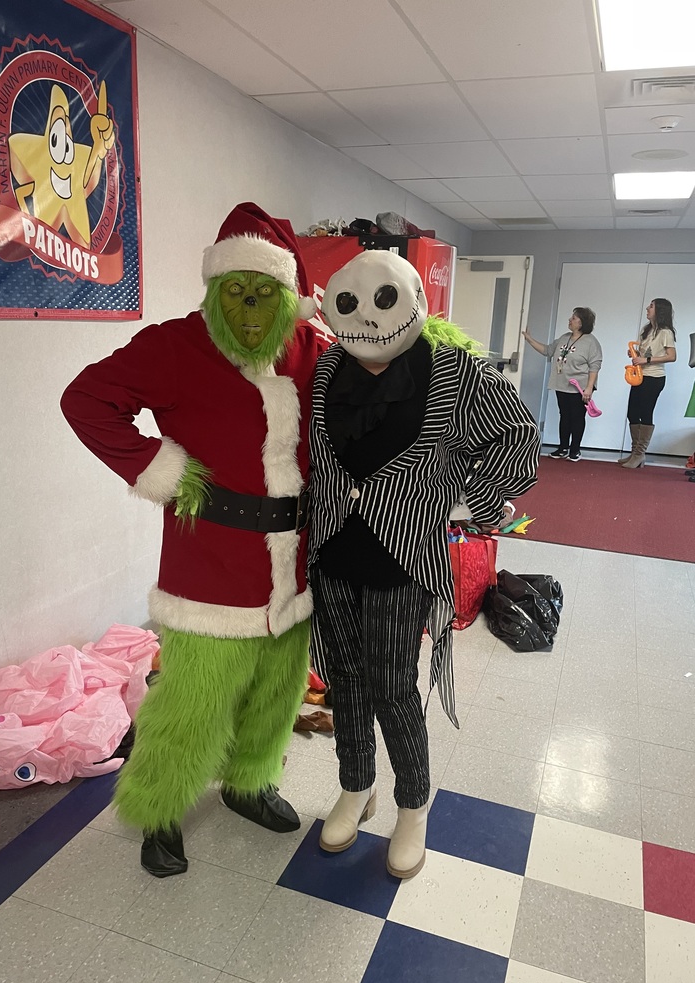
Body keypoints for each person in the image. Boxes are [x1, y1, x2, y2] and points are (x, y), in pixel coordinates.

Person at [61, 203, 322, 878]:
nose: (251, 307)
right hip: (209, 565)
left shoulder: (315, 351)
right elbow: (86, 400)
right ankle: (159, 811)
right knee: (191, 705)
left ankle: (247, 782)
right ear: (214, 291)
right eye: (236, 291)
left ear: (287, 294)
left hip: (294, 569)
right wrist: (164, 472)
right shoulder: (175, 346)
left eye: (265, 292)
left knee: (276, 693)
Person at [308, 250, 540, 880]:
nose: (367, 316)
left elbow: (519, 445)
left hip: (402, 557)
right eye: (348, 301)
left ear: (413, 298)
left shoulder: (453, 373)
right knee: (343, 681)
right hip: (332, 553)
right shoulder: (329, 366)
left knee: (391, 686)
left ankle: (413, 804)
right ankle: (357, 784)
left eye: (384, 299)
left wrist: (464, 497)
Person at [522, 308, 602, 462]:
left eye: (573, 318)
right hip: (561, 384)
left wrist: (589, 388)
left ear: (581, 323)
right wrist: (529, 339)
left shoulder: (591, 342)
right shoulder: (563, 338)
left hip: (579, 387)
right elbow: (547, 350)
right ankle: (563, 447)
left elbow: (595, 366)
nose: (570, 320)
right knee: (564, 416)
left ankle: (575, 450)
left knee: (577, 417)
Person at [619, 298, 677, 469]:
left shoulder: (666, 332)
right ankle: (635, 452)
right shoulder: (646, 331)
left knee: (645, 413)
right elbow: (645, 353)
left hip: (654, 378)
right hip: (640, 376)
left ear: (659, 310)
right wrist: (636, 354)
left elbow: (672, 356)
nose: (647, 308)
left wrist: (647, 359)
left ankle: (639, 454)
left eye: (651, 306)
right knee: (632, 413)